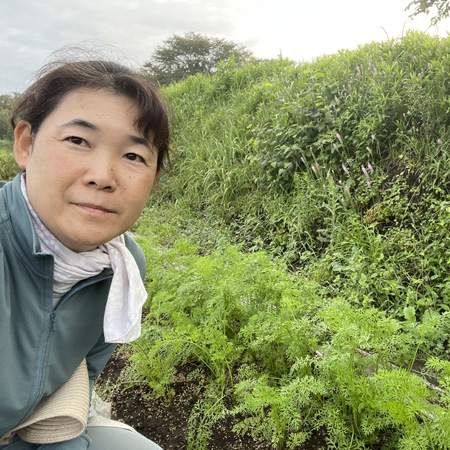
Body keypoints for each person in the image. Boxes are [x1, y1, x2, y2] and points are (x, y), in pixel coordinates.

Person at [0, 56, 171, 449]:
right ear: (26, 144)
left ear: (153, 178)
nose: (102, 176)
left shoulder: (123, 266)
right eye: (78, 141)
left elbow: (75, 387)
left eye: (133, 156)